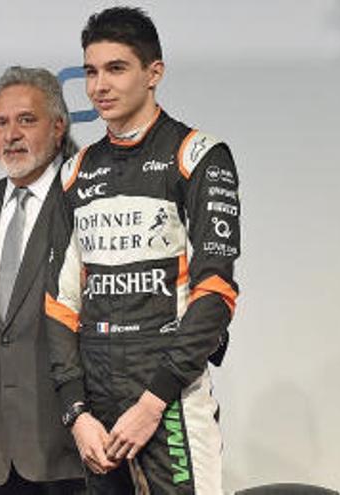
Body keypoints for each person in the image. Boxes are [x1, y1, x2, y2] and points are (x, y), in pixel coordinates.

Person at [45, 7, 241, 494]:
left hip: (168, 392)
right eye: (90, 72)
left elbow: (214, 291)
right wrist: (75, 413)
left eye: (116, 68)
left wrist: (154, 402)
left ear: (154, 73)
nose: (98, 87)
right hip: (96, 400)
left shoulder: (197, 155)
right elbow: (59, 304)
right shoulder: (75, 171)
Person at [0, 66, 86, 495]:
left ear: (58, 125)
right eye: (0, 122)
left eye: (26, 120)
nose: (11, 134)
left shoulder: (81, 200)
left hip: (71, 448)